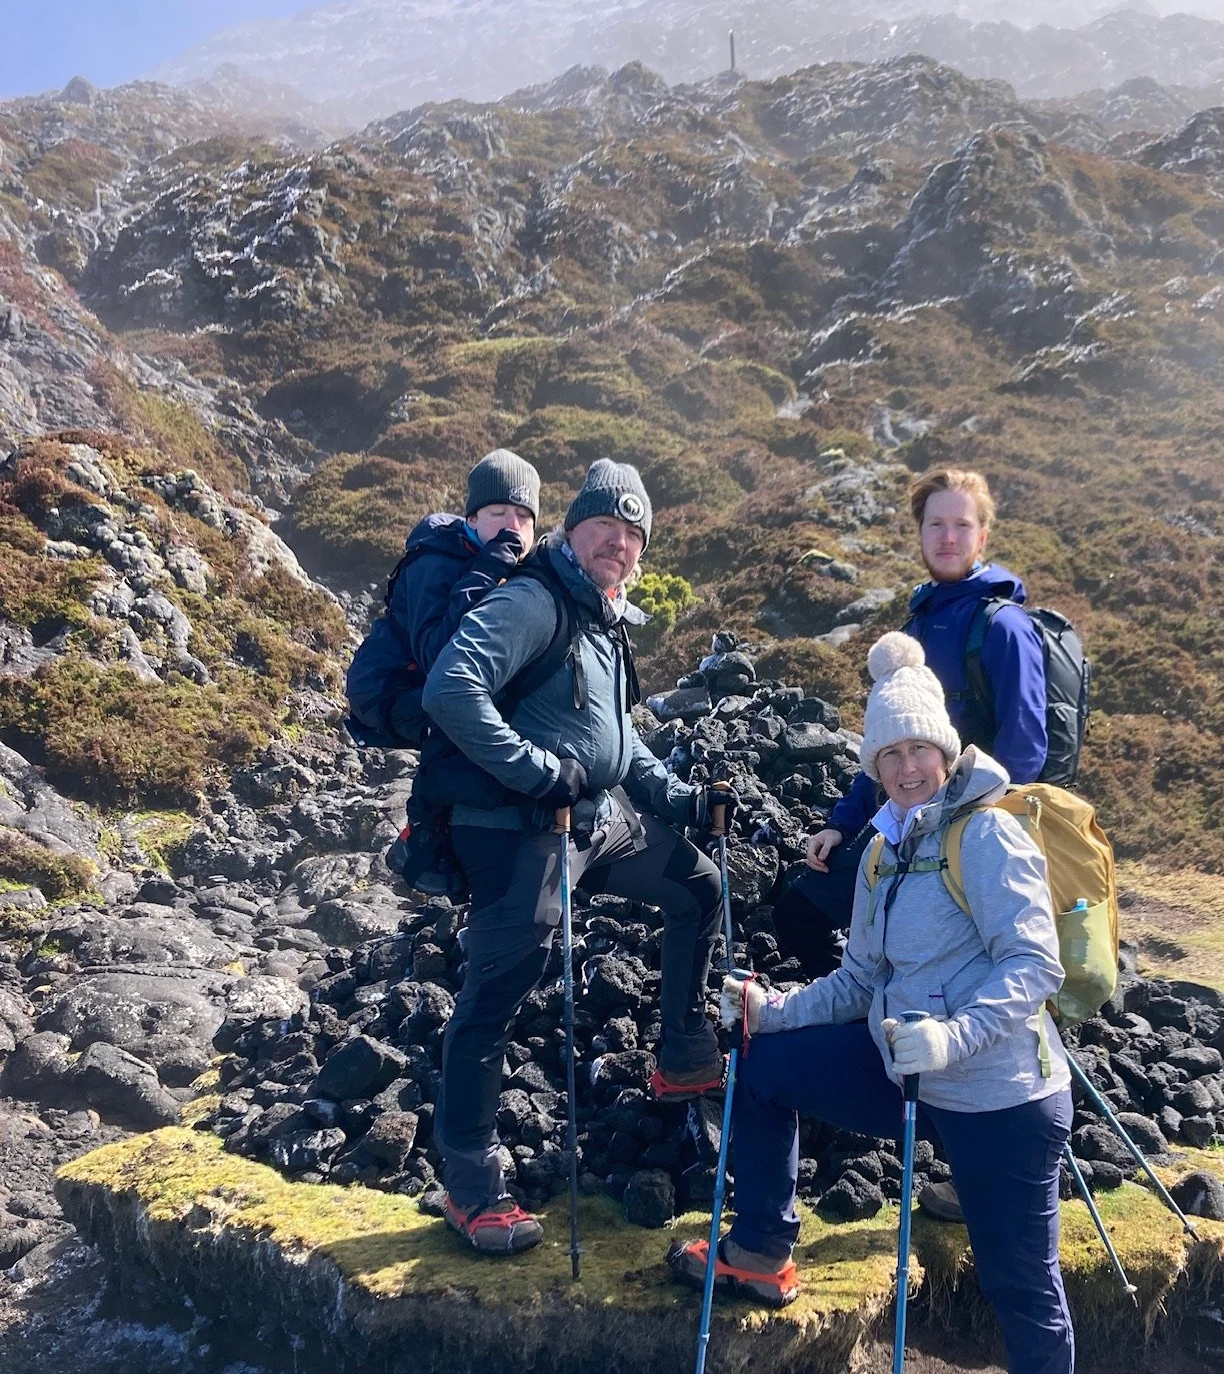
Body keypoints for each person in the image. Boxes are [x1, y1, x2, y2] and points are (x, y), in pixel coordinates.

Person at [674, 631, 1075, 1374]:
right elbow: (861, 978)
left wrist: (952, 1036)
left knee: (1022, 1282)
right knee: (760, 1070)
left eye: (918, 749)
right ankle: (761, 1248)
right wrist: (774, 1011)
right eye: (888, 754)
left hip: (1003, 1094)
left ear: (947, 751)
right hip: (907, 1073)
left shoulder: (989, 834)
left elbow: (1033, 966)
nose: (905, 768)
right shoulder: (882, 851)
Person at [420, 459, 727, 1255]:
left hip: (593, 821)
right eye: (605, 527)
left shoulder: (606, 618)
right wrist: (536, 771)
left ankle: (684, 1056)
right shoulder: (534, 600)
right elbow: (451, 689)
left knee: (697, 885)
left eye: (633, 534)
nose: (618, 543)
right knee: (496, 994)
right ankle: (470, 1184)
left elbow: (620, 742)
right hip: (518, 828)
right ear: (571, 528)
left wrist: (683, 800)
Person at [773, 466, 1049, 980]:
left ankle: (883, 1011)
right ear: (919, 532)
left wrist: (964, 833)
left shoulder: (1004, 627)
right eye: (936, 524)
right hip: (906, 821)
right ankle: (871, 1010)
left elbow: (1025, 750)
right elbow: (888, 745)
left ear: (982, 536)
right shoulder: (918, 626)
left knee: (819, 922)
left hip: (969, 835)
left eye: (962, 525)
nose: (948, 537)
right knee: (799, 913)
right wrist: (841, 825)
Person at [346, 448, 543, 750]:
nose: (513, 526)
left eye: (524, 516)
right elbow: (437, 655)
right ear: (473, 518)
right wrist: (487, 571)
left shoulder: (522, 567)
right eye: (499, 513)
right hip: (392, 688)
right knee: (487, 723)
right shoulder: (435, 561)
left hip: (454, 684)